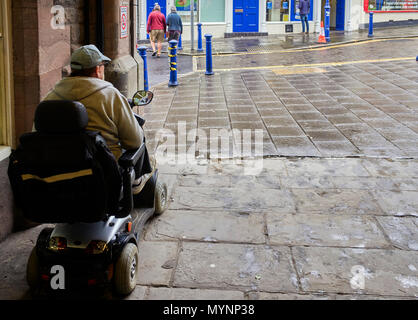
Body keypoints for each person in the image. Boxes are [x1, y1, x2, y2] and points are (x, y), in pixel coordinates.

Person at [42, 44, 152, 193]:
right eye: (103, 66)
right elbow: (134, 141)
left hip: (58, 175)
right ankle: (136, 184)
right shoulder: (109, 94)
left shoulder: (49, 98)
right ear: (97, 69)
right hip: (103, 176)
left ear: (73, 70)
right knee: (138, 137)